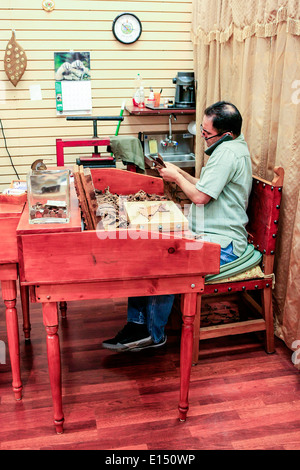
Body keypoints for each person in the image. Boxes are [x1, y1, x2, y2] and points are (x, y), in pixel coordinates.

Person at [102, 101, 253, 352]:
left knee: (167, 261)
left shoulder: (227, 154)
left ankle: (152, 333)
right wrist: (179, 173)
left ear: (226, 134)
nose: (203, 137)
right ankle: (138, 324)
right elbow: (204, 185)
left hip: (224, 244)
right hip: (207, 233)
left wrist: (176, 178)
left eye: (206, 134)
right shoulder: (231, 147)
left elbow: (199, 197)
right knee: (152, 252)